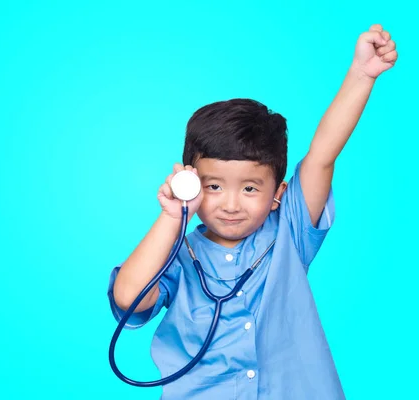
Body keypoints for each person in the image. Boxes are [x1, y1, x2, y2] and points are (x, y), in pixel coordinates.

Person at [107, 24, 397, 399]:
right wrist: (171, 216)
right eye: (213, 186)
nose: (230, 204)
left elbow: (324, 153)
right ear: (191, 183)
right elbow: (129, 299)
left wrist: (361, 74)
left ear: (278, 193)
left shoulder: (289, 231)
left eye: (249, 188)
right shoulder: (175, 255)